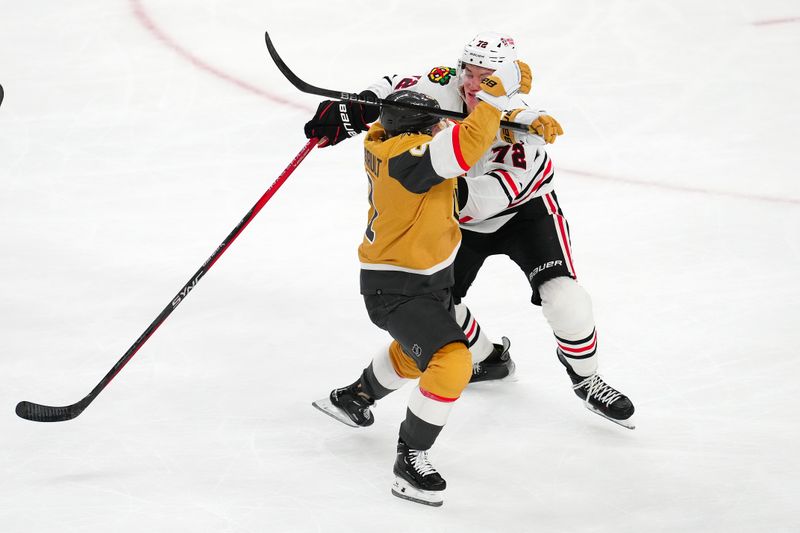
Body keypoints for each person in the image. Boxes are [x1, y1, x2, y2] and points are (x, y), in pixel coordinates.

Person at [304, 32, 635, 429]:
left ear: (505, 86)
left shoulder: (525, 136)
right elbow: (394, 88)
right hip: (458, 220)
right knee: (439, 312)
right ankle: (486, 359)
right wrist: (356, 110)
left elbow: (474, 202)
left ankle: (587, 379)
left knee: (567, 301)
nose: (474, 86)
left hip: (522, 214)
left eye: (488, 80)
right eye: (470, 74)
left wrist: (416, 172)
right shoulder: (443, 84)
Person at [311, 58, 532, 507]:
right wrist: (492, 95)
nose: (439, 130)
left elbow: (430, 123)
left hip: (423, 280)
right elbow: (467, 146)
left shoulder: (386, 141)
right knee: (451, 360)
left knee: (415, 355)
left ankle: (353, 396)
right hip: (397, 288)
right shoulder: (408, 160)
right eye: (431, 126)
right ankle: (410, 458)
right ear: (414, 130)